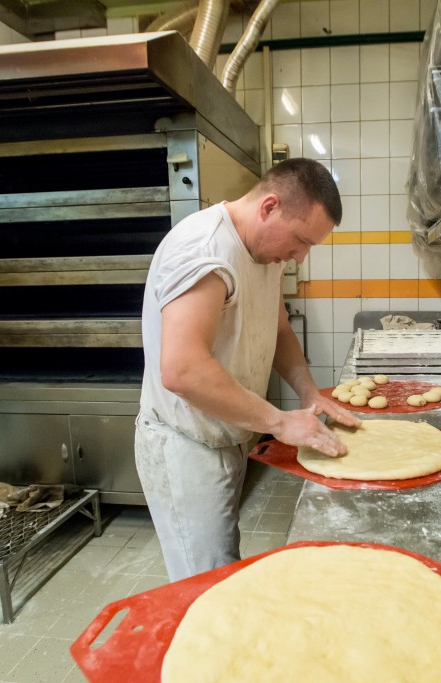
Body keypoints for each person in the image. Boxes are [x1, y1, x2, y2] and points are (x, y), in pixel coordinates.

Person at [135, 158, 362, 582]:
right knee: (205, 588)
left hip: (225, 432)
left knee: (223, 568)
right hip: (187, 446)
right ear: (269, 206)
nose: (299, 256)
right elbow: (182, 369)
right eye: (299, 241)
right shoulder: (204, 250)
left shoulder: (266, 255)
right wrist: (278, 421)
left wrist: (309, 393)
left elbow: (277, 330)